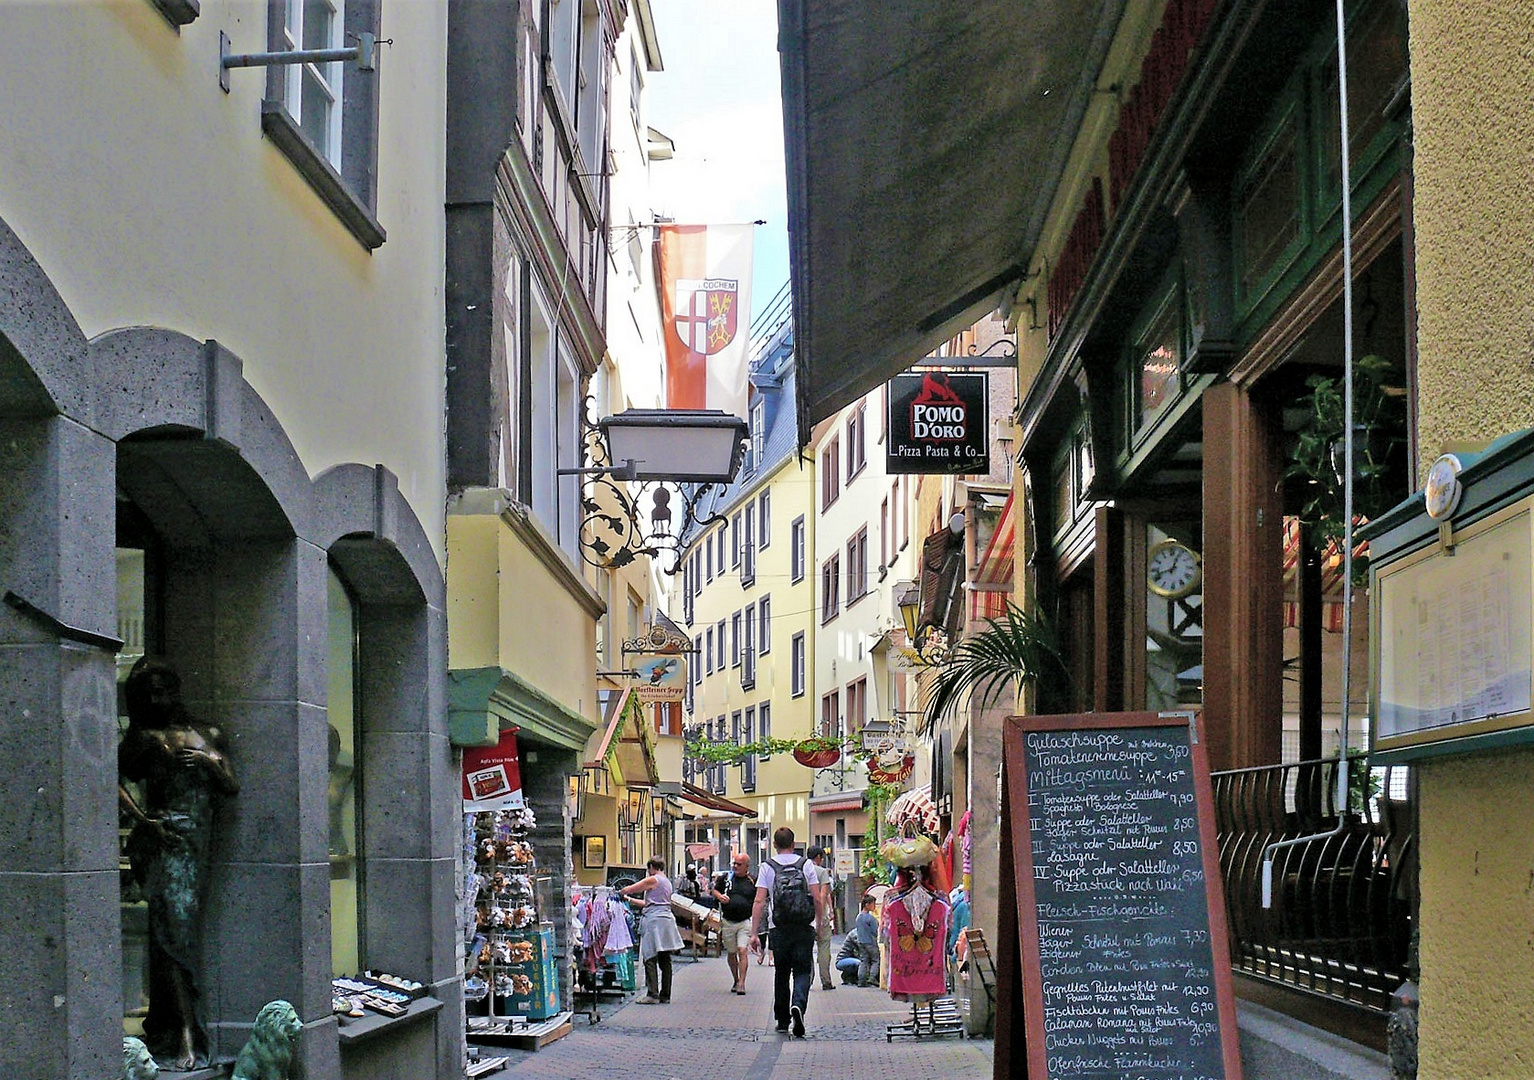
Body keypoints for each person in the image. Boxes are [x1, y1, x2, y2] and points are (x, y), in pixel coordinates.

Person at [118, 656, 239, 1070]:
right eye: (149, 693)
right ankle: (188, 1032)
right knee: (172, 934)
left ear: (175, 690)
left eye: (163, 689)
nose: (157, 698)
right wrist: (143, 820)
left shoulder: (207, 733)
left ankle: (170, 1025)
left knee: (176, 934)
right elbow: (107, 776)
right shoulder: (143, 738)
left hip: (196, 845)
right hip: (164, 841)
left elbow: (230, 785)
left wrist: (207, 761)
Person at [749, 827, 825, 1037]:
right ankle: (798, 1005)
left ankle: (783, 1019)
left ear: (774, 844)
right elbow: (817, 898)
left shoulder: (767, 866)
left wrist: (754, 933)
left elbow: (759, 900)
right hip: (803, 926)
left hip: (778, 928)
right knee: (802, 970)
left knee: (781, 973)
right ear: (794, 844)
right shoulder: (806, 864)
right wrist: (819, 924)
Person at [620, 857, 685, 1004]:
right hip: (665, 919)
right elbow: (648, 903)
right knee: (664, 957)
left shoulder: (654, 879)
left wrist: (623, 891)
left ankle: (652, 994)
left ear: (652, 867)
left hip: (654, 921)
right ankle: (665, 994)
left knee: (649, 956)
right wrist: (629, 900)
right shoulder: (666, 882)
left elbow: (635, 887)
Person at [712, 852, 756, 994]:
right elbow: (714, 891)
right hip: (727, 920)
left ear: (747, 866)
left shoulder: (752, 880)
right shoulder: (726, 878)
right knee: (732, 953)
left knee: (742, 950)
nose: (735, 866)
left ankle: (742, 983)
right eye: (734, 863)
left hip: (744, 921)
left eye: (739, 864)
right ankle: (736, 979)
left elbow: (759, 899)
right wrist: (720, 896)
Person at [807, 845, 836, 989]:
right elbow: (824, 894)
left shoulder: (802, 870)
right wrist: (824, 914)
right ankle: (826, 980)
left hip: (804, 917)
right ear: (818, 857)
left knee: (806, 949)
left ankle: (807, 979)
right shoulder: (821, 872)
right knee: (824, 947)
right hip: (819, 915)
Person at [853, 893, 882, 988]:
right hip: (870, 942)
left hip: (861, 941)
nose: (874, 906)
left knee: (863, 960)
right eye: (873, 904)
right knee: (875, 960)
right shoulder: (870, 918)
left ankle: (861, 980)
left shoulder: (858, 917)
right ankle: (872, 978)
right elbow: (875, 930)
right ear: (867, 905)